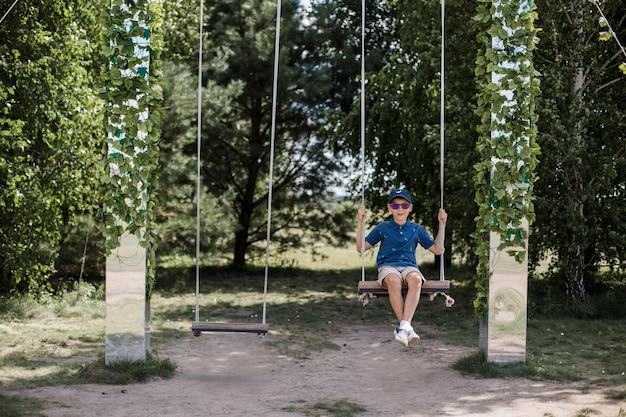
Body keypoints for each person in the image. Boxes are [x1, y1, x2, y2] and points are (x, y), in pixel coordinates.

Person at [356, 188, 447, 347]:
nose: (400, 210)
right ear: (389, 208)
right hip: (387, 266)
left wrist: (443, 225)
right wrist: (359, 221)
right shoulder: (383, 228)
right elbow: (361, 247)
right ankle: (406, 327)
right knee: (393, 280)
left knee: (416, 279)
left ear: (410, 208)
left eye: (404, 206)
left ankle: (403, 327)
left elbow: (438, 250)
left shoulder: (416, 229)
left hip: (409, 267)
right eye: (396, 206)